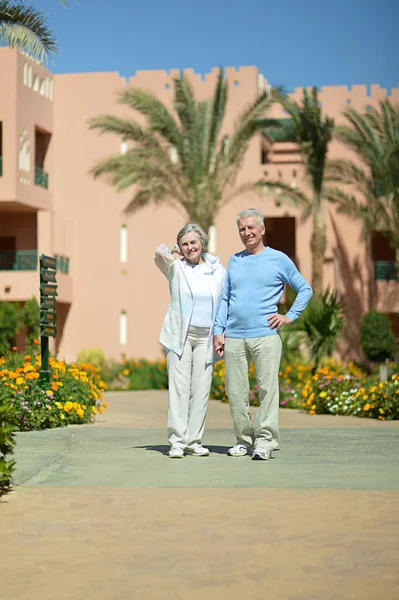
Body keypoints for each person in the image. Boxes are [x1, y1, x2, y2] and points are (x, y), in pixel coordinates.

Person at [214, 208, 312, 460]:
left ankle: (265, 442)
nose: (246, 233)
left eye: (250, 228)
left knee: (267, 389)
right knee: (235, 391)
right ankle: (243, 440)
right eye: (242, 229)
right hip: (234, 335)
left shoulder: (279, 259)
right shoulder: (234, 260)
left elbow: (305, 289)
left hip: (265, 335)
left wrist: (288, 316)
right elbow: (225, 298)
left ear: (262, 229)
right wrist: (218, 330)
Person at [154, 224, 225, 459]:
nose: (189, 247)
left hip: (207, 336)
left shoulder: (217, 269)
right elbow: (159, 255)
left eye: (193, 242)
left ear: (202, 243)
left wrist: (221, 332)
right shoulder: (176, 267)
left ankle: (194, 441)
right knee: (179, 388)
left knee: (202, 388)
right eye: (184, 244)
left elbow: (224, 300)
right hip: (180, 336)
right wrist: (173, 250)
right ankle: (177, 441)